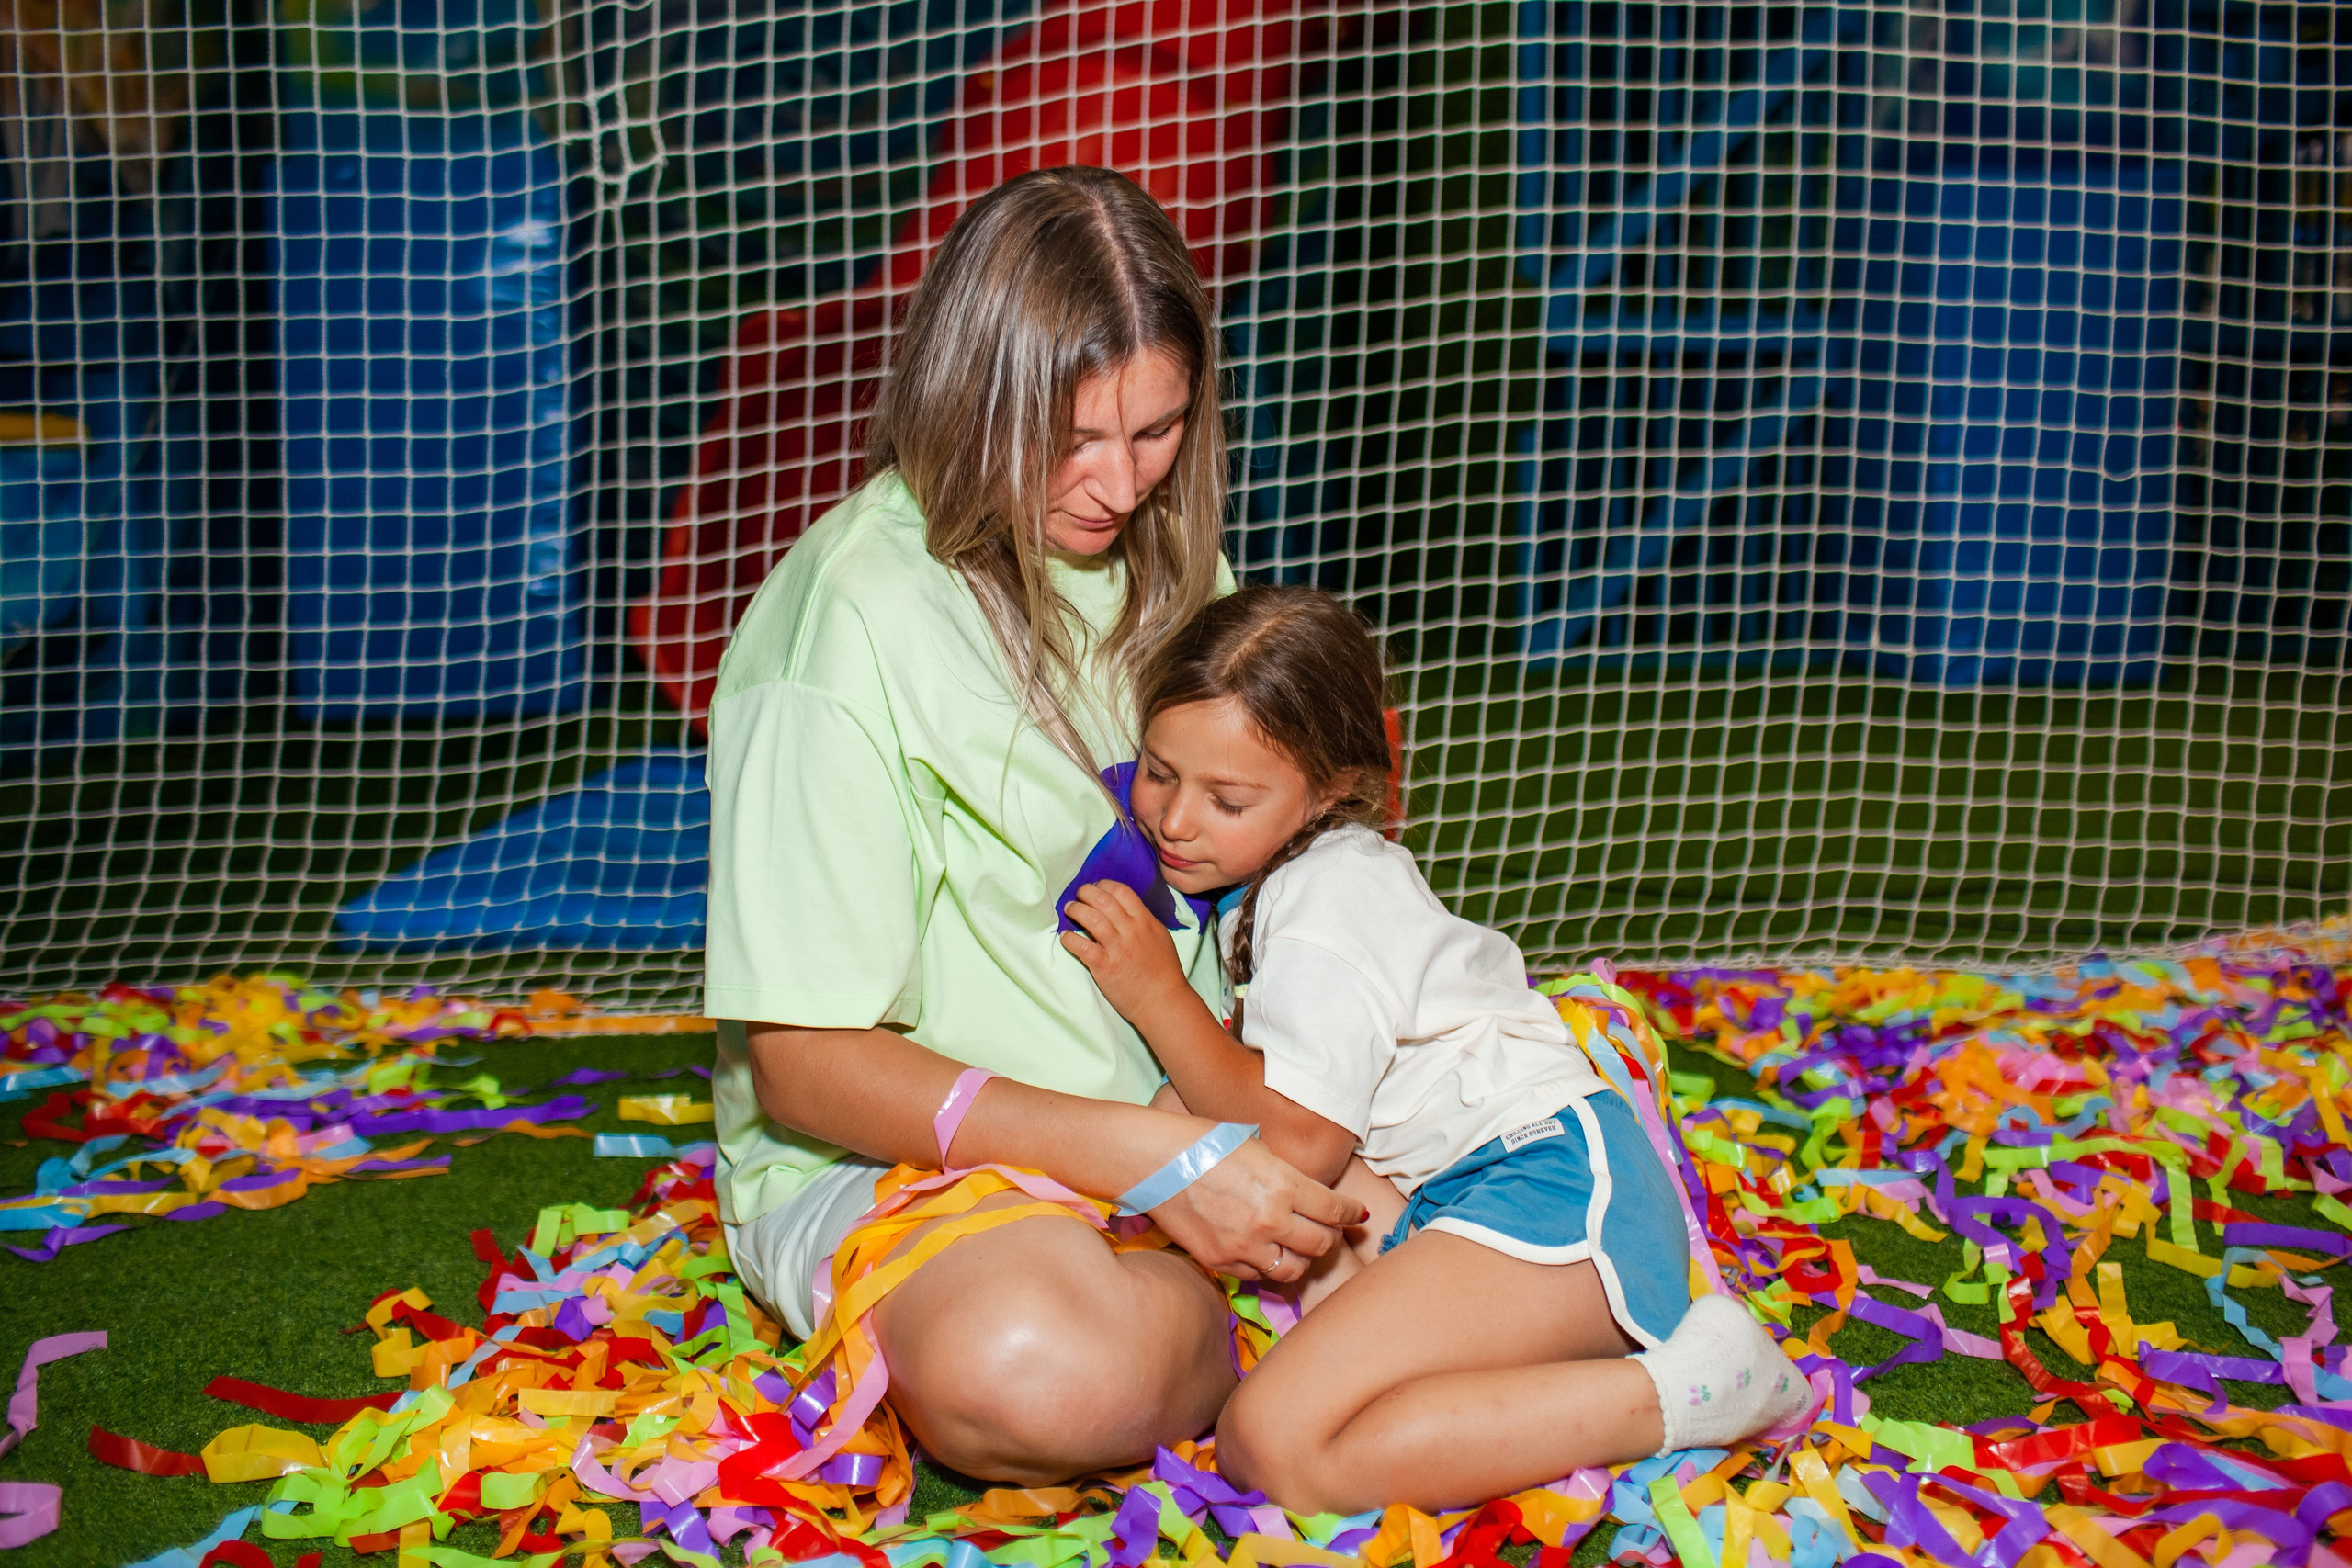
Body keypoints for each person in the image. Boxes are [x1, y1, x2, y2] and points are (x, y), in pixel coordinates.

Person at [704, 166, 1363, 1486]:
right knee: (1031, 1363)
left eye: (1156, 430)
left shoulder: (1171, 560)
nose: (1119, 485)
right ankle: (1265, 1340)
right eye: (1073, 438)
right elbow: (806, 1071)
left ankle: (1269, 1305)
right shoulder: (848, 622)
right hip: (917, 1163)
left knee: (1524, 1179)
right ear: (971, 396)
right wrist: (1151, 1157)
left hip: (1188, 1099)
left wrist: (1242, 1098)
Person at [1058, 586, 1815, 1513]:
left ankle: (1694, 1387)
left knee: (1272, 1443)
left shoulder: (1329, 895)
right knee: (1185, 1114)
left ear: (1332, 789)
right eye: (1159, 772)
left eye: (1227, 799)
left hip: (1550, 1192)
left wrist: (1157, 995)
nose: (1176, 820)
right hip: (1458, 1203)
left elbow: (1301, 1145)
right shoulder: (1271, 879)